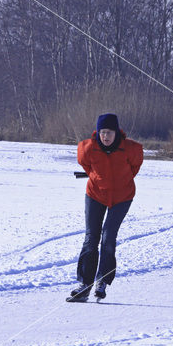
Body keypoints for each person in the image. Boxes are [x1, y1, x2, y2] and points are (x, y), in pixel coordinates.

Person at [68, 113, 144, 302]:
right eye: (102, 132)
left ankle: (102, 281)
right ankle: (85, 285)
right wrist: (99, 179)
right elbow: (86, 165)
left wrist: (120, 182)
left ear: (116, 132)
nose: (106, 136)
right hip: (95, 195)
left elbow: (135, 167)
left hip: (122, 197)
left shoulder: (131, 149)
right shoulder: (88, 148)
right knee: (91, 238)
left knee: (108, 237)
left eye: (109, 132)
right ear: (98, 132)